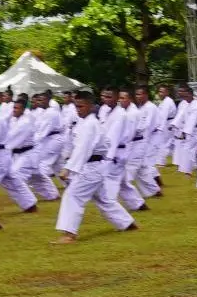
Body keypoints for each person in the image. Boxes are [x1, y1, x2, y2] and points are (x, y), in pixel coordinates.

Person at [54, 94, 138, 241]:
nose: (78, 109)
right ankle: (128, 224)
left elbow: (83, 149)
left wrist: (68, 169)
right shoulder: (86, 122)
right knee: (104, 200)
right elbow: (101, 143)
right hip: (94, 167)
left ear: (91, 106)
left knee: (73, 196)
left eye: (81, 106)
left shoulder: (90, 124)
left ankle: (69, 234)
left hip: (91, 168)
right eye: (76, 106)